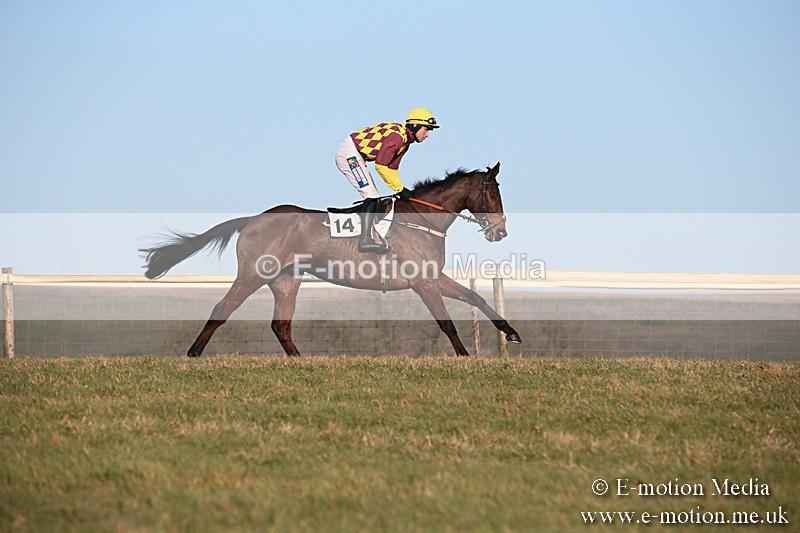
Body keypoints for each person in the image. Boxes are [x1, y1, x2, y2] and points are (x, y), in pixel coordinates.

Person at [335, 108, 439, 253]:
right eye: (426, 129)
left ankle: (369, 234)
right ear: (415, 126)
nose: (427, 135)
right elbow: (381, 166)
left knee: (374, 196)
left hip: (357, 154)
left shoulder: (405, 143)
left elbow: (391, 169)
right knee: (371, 195)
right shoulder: (397, 138)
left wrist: (401, 188)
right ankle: (365, 240)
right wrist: (400, 190)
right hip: (349, 154)